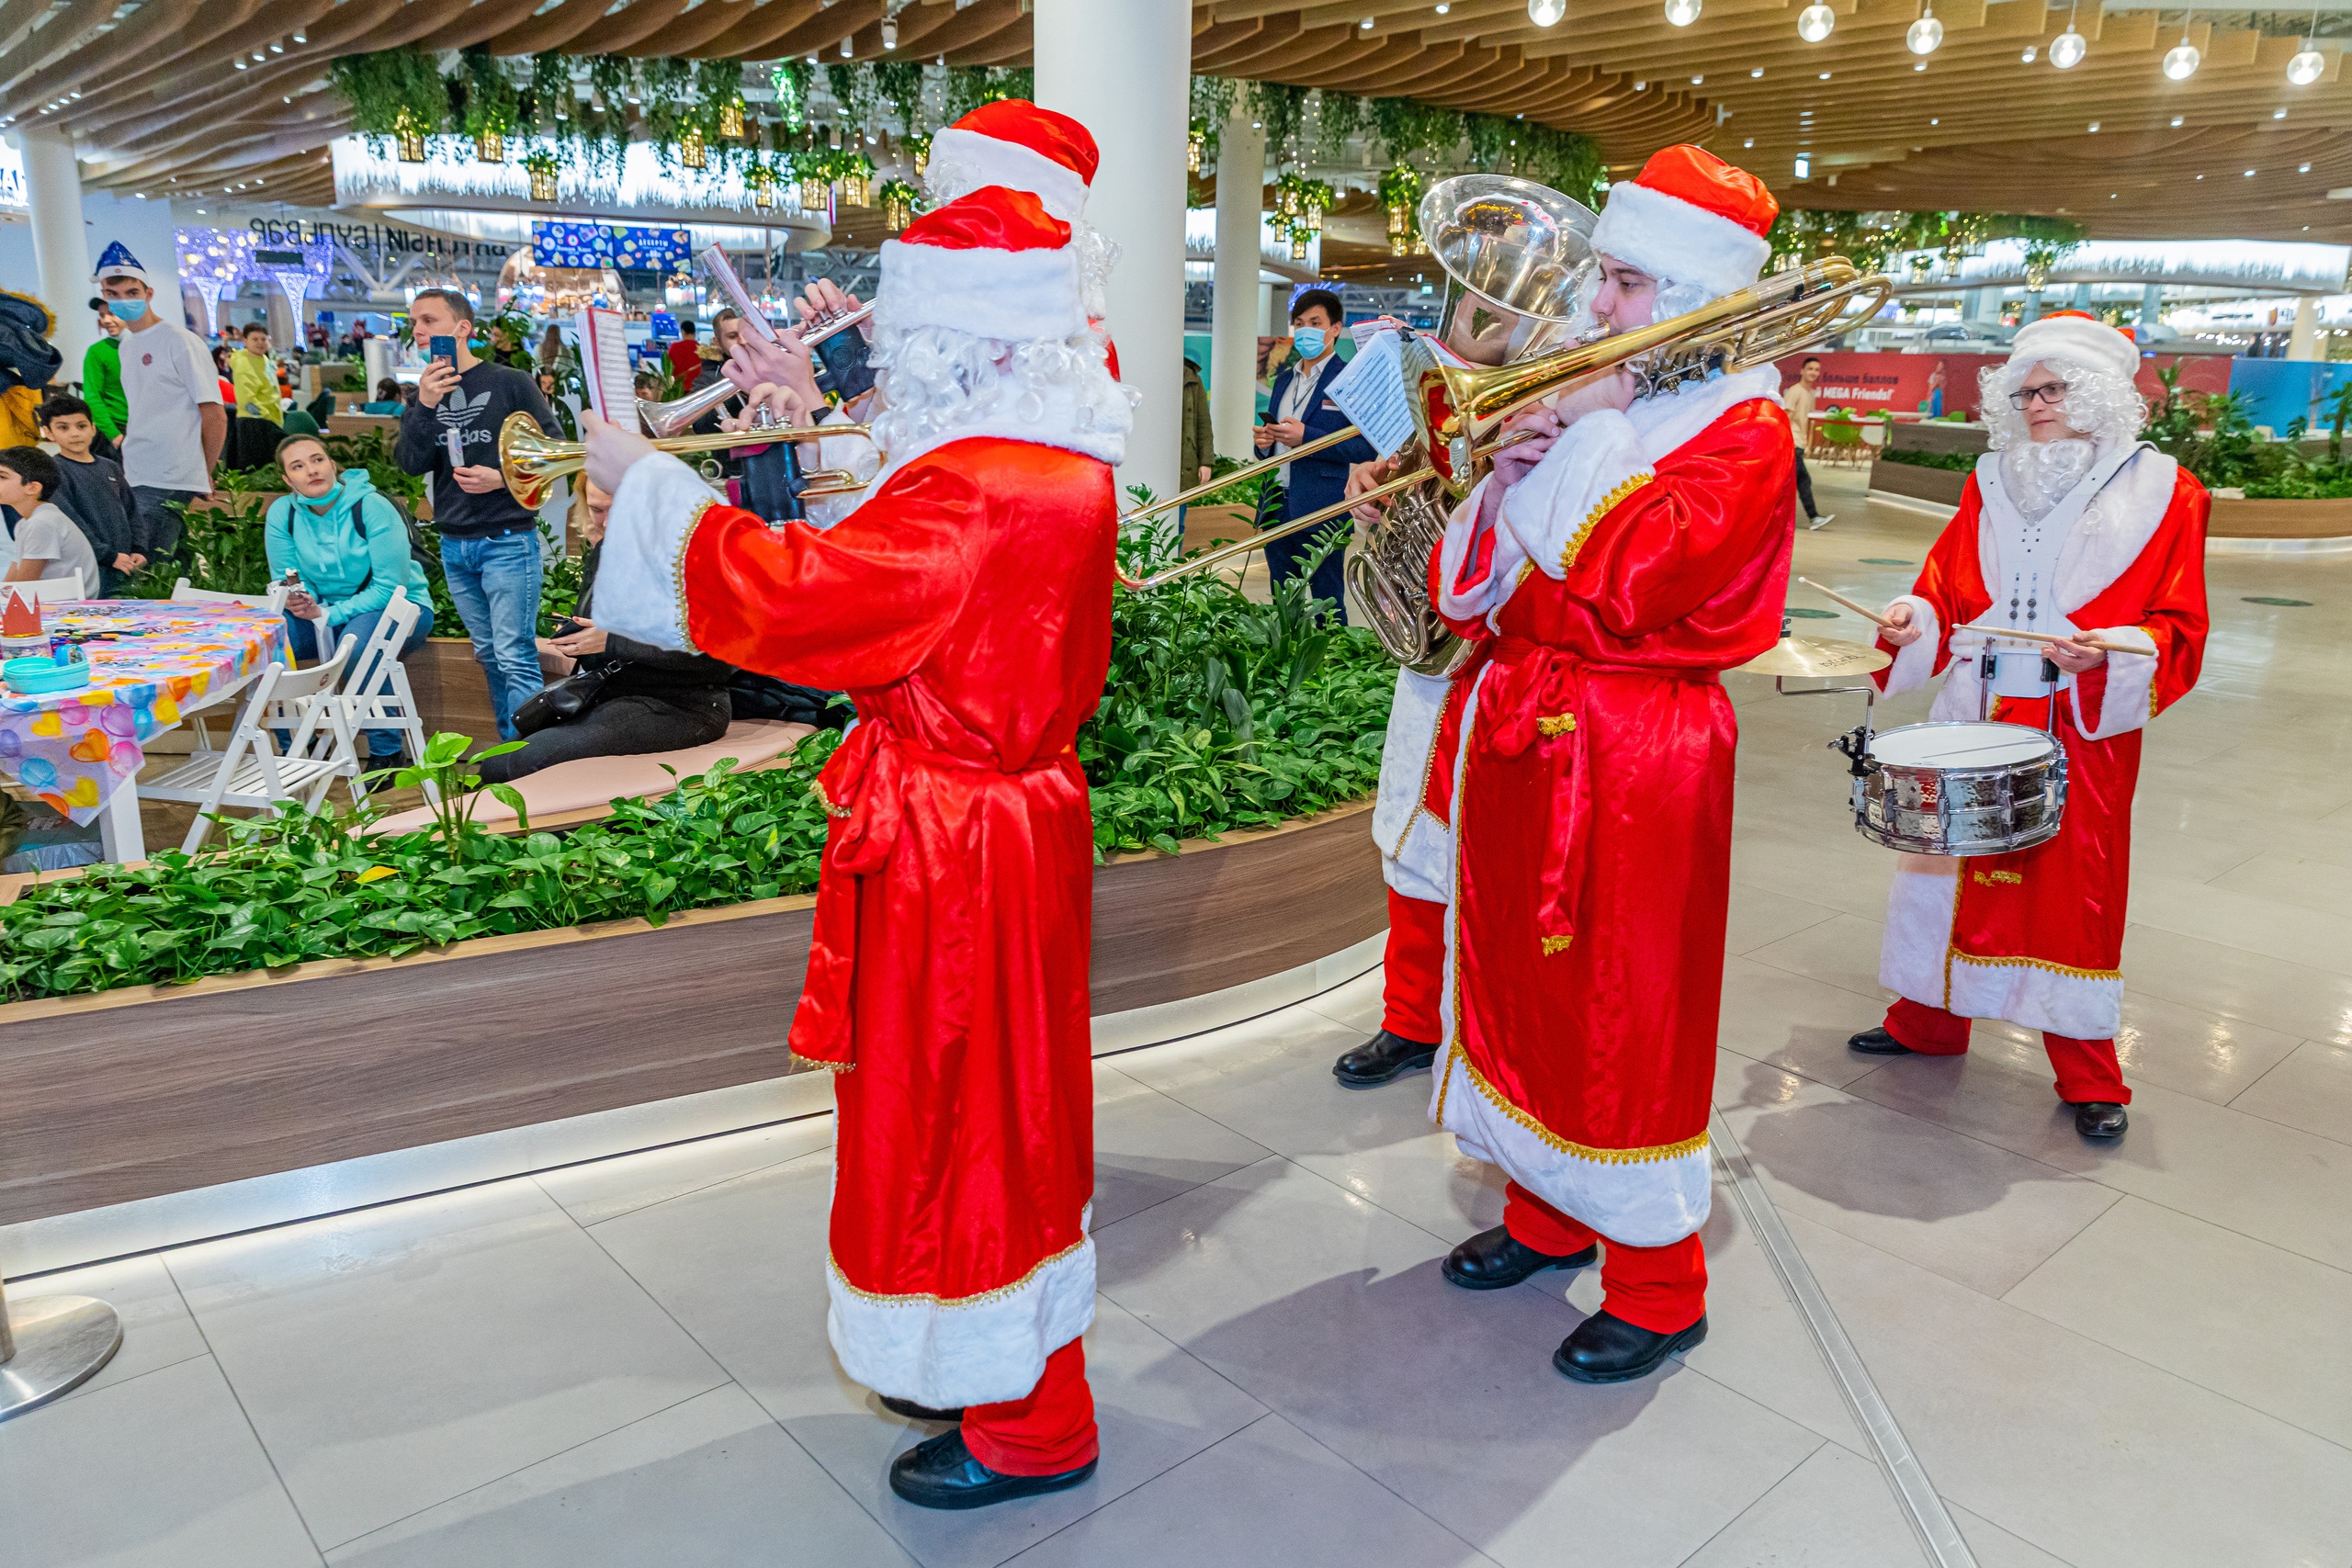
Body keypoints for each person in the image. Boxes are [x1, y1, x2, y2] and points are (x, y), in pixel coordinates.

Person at [582, 184, 1131, 1511]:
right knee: (997, 1100)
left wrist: (647, 486)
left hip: (955, 842)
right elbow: (917, 575)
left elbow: (805, 597)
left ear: (951, 341)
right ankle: (979, 1353)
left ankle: (1033, 1419)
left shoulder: (973, 486)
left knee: (961, 1110)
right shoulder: (1052, 458)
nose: (879, 358)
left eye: (896, 340)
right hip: (1005, 819)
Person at [1421, 145, 1795, 1385]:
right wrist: (1507, 480)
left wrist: (1577, 441)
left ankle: (1656, 1280)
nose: (1598, 305)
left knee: (1628, 1008)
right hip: (1535, 719)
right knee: (1529, 986)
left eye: (1627, 285)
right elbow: (1486, 594)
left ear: (1693, 296)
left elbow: (1640, 580)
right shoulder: (1627, 407)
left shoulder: (1743, 430)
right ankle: (1544, 1212)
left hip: (1639, 752)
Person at [1849, 312, 2210, 1140]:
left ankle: (2088, 1069)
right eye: (2025, 391)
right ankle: (1927, 1018)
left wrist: (2115, 651)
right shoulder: (1988, 480)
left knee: (2073, 889)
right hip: (1976, 702)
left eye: (2056, 388)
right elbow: (1944, 586)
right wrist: (1914, 619)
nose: (2038, 404)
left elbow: (2180, 623)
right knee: (1945, 859)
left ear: (2100, 394)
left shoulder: (2170, 491)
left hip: (2079, 718)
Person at [479, 479, 732, 784]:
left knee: (523, 762)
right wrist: (579, 636)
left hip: (686, 706)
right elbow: (598, 632)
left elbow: (718, 659)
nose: (609, 522)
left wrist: (612, 642)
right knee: (497, 762)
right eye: (597, 510)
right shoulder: (605, 551)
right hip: (615, 695)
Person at [394, 287, 560, 740]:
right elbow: (411, 463)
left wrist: (501, 478)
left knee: (514, 654)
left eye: (428, 320)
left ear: (462, 328)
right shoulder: (425, 393)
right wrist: (425, 405)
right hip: (454, 543)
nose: (419, 331)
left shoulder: (510, 383)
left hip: (506, 539)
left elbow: (555, 452)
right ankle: (511, 748)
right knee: (488, 653)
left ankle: (534, 756)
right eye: (414, 323)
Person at [265, 432, 436, 771]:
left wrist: (327, 613)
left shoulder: (371, 506)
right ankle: (296, 747)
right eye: (298, 466)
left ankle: (386, 752)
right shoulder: (282, 514)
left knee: (357, 645)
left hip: (397, 607)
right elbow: (289, 575)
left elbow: (391, 588)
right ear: (288, 479)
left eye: (317, 460)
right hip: (326, 610)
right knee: (271, 640)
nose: (312, 470)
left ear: (332, 464)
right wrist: (300, 599)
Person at [96, 242, 223, 562]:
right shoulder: (126, 346)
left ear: (148, 293)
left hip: (170, 474)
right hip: (137, 469)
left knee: (148, 572)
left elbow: (214, 414)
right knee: (174, 570)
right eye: (114, 294)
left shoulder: (180, 341)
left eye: (131, 292)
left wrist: (203, 470)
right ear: (104, 296)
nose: (123, 300)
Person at [1253, 289, 1374, 621]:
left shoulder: (1349, 379)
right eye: (1299, 323)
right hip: (1276, 503)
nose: (1305, 330)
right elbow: (1275, 439)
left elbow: (1365, 447)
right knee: (1283, 602)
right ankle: (1286, 666)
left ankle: (1332, 666)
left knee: (1328, 603)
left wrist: (1308, 438)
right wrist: (1265, 443)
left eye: (1315, 323)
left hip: (1323, 506)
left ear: (1335, 328)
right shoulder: (1284, 379)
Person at [37, 395, 144, 594]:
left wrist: (139, 548)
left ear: (93, 428)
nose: (75, 434)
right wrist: (109, 556)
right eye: (63, 428)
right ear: (48, 433)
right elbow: (70, 521)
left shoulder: (110, 467)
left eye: (81, 426)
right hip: (88, 566)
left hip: (125, 562)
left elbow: (131, 510)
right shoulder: (53, 471)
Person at [0, 446, 101, 591]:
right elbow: (11, 581)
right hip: (51, 603)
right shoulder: (25, 523)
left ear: (32, 488)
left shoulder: (41, 523)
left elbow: (23, 587)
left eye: (2, 477)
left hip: (67, 608)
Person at [1781, 355, 1833, 530]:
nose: (1813, 372)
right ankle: (1813, 517)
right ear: (1802, 371)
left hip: (1799, 444)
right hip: (1792, 444)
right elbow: (1785, 418)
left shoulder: (1810, 393)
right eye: (1810, 369)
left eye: (1816, 370)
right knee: (1802, 481)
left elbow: (1807, 419)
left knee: (1792, 484)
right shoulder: (1795, 391)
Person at [82, 300, 128, 443]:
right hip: (116, 428)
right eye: (102, 315)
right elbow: (92, 396)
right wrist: (114, 435)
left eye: (112, 314)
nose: (106, 320)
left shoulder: (143, 346)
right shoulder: (97, 351)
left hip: (146, 426)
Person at [231, 323, 284, 425]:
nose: (260, 343)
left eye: (264, 339)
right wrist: (266, 417)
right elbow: (246, 400)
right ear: (245, 342)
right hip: (255, 423)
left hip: (273, 422)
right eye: (255, 339)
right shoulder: (243, 363)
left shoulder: (264, 359)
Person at [1179, 354, 1213, 493]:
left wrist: (1206, 462)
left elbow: (1203, 423)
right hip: (1152, 462)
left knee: (1178, 511)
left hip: (1184, 464)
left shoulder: (1192, 377)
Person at [664, 320, 703, 389]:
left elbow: (668, 367)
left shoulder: (674, 347)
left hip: (679, 390)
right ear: (694, 332)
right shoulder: (702, 349)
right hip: (698, 388)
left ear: (683, 332)